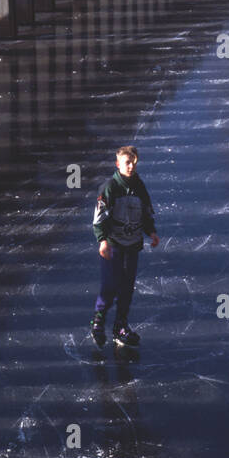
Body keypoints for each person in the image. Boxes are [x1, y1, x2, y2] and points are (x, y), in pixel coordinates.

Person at [91, 145, 159, 350]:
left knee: (127, 288)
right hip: (113, 246)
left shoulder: (139, 186)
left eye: (133, 162)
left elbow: (146, 213)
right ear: (118, 164)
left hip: (132, 246)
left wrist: (152, 232)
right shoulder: (109, 188)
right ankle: (98, 322)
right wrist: (102, 240)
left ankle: (120, 326)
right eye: (127, 162)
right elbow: (99, 219)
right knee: (110, 286)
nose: (130, 166)